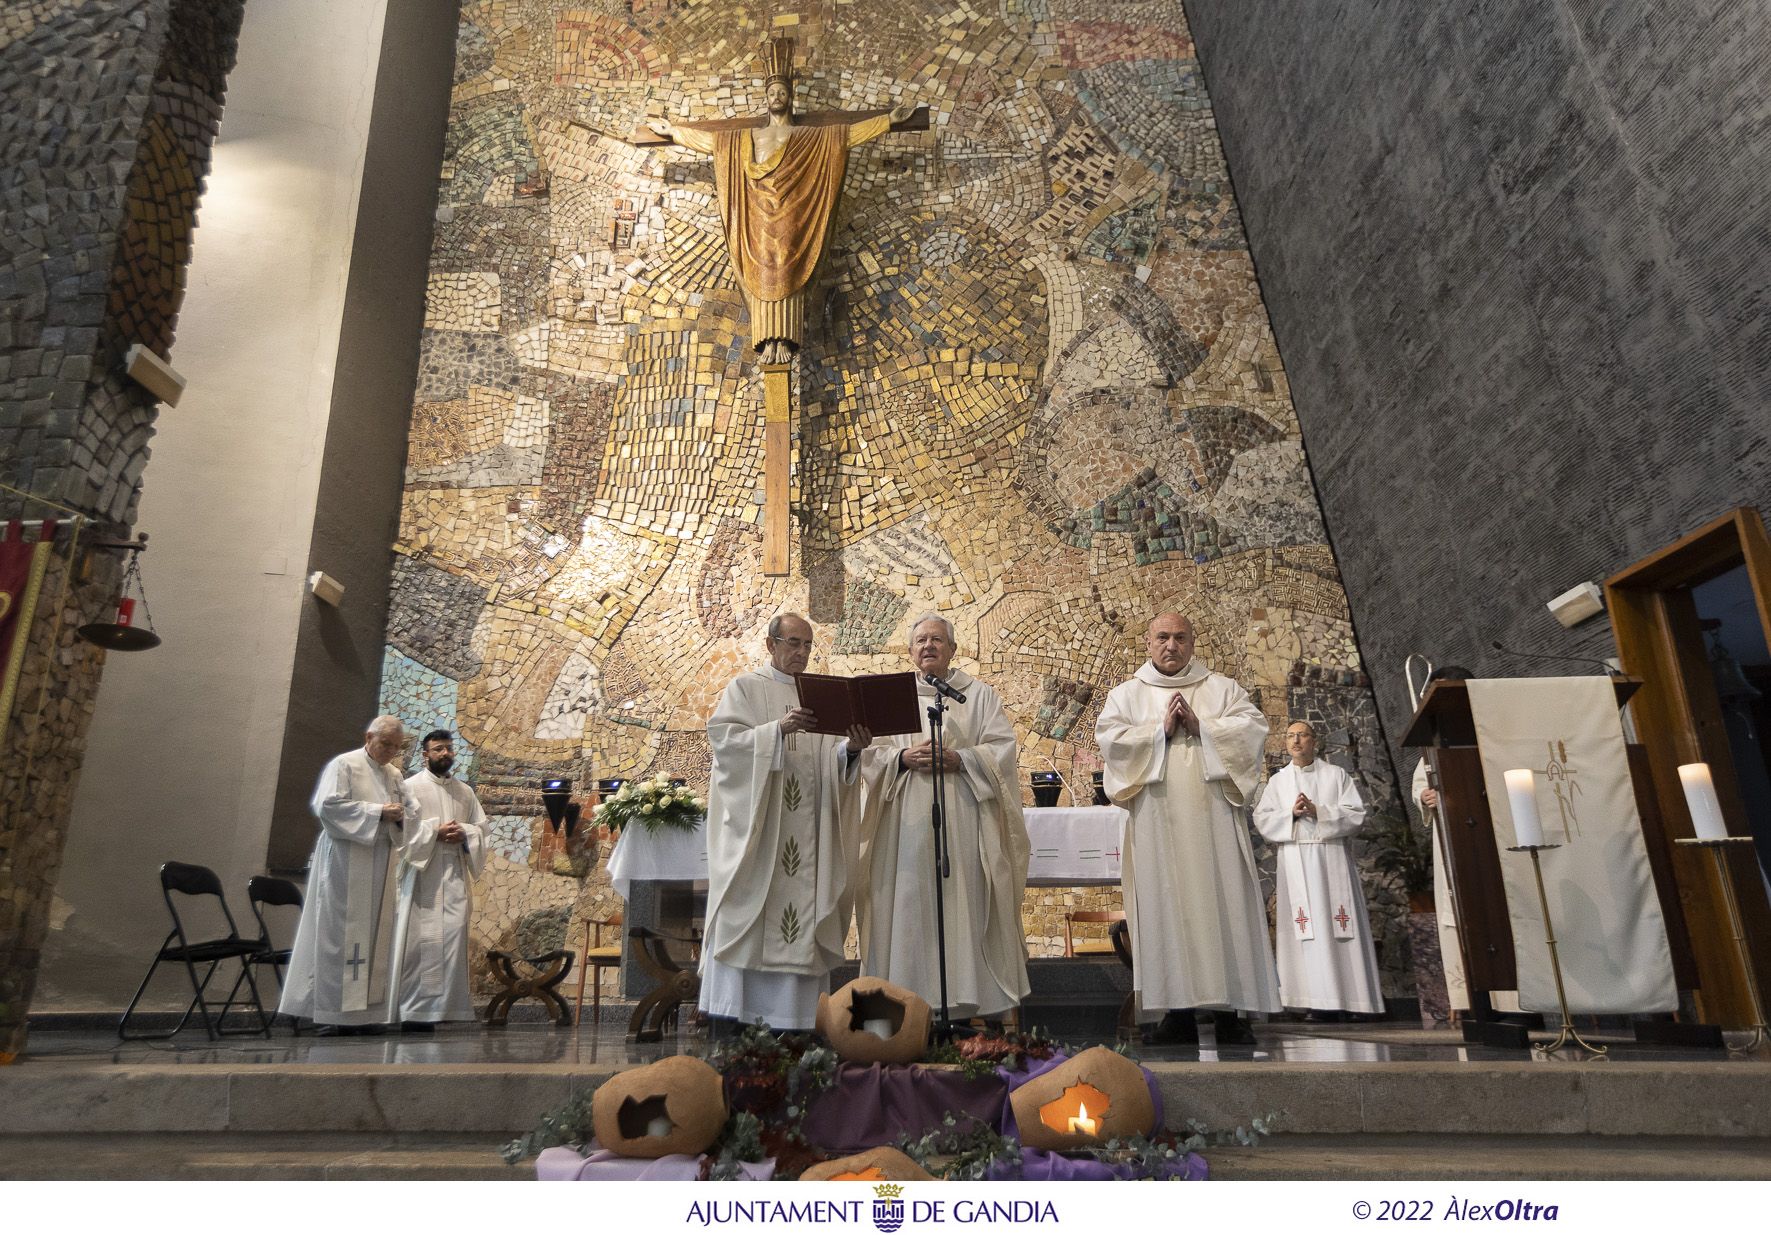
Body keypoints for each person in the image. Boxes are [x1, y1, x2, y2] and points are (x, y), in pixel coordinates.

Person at [649, 37, 913, 364]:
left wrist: (888, 121)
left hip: (790, 209)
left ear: (791, 98)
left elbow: (845, 136)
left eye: (782, 92)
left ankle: (785, 339)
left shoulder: (807, 138)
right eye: (772, 92)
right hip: (756, 212)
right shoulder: (748, 138)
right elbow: (712, 143)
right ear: (766, 99)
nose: (777, 96)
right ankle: (765, 341)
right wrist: (673, 131)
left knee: (786, 266)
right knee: (760, 272)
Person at [1095, 612, 1280, 1045]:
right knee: (1165, 906)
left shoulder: (1222, 689)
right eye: (1162, 637)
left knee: (1225, 902)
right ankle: (1175, 1013)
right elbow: (1112, 741)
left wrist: (1203, 727)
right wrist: (1159, 731)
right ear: (1148, 641)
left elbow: (1253, 730)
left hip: (1214, 820)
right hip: (1157, 822)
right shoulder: (1126, 695)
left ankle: (1233, 1012)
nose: (1171, 645)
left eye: (1180, 637)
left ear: (1193, 642)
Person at [700, 613, 872, 1030]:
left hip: (811, 835)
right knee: (750, 913)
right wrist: (776, 730)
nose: (801, 652)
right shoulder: (745, 688)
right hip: (761, 839)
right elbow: (725, 746)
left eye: (808, 645)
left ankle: (795, 1019)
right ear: (770, 643)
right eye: (793, 643)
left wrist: (851, 748)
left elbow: (833, 768)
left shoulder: (822, 695)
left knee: (804, 920)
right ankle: (736, 1017)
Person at [857, 615, 1030, 1021]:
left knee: (961, 905)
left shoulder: (979, 696)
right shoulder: (889, 697)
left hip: (963, 821)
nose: (929, 646)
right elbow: (867, 753)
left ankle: (965, 1002)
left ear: (953, 649)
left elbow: (1001, 749)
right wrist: (900, 757)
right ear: (910, 651)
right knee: (908, 906)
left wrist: (961, 758)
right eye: (921, 640)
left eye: (937, 639)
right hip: (903, 827)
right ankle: (906, 1007)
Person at [279, 716, 417, 1034]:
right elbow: (328, 806)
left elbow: (412, 812)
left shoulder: (395, 774)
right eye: (386, 744)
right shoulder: (344, 765)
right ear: (368, 737)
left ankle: (368, 1015)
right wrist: (378, 812)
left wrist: (400, 816)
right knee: (340, 935)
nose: (391, 752)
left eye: (396, 747)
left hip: (380, 862)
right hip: (345, 861)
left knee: (375, 936)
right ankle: (333, 1013)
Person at [1252, 721, 1385, 1018]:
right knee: (1305, 930)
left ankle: (1352, 1001)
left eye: (1302, 735)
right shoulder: (1278, 782)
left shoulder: (1335, 775)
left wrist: (1319, 811)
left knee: (1338, 925)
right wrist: (1292, 813)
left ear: (1315, 741)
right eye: (1290, 736)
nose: (1296, 740)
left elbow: (1356, 814)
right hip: (1296, 859)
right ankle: (1309, 1000)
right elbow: (1263, 819)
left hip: (1331, 858)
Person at [393, 730, 488, 1032]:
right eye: (438, 749)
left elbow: (482, 829)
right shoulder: (409, 788)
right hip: (423, 874)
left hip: (454, 873)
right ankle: (413, 1011)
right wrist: (434, 832)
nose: (445, 754)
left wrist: (466, 833)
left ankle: (443, 1008)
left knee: (452, 938)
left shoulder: (465, 792)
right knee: (418, 945)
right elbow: (400, 833)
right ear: (425, 755)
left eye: (449, 748)